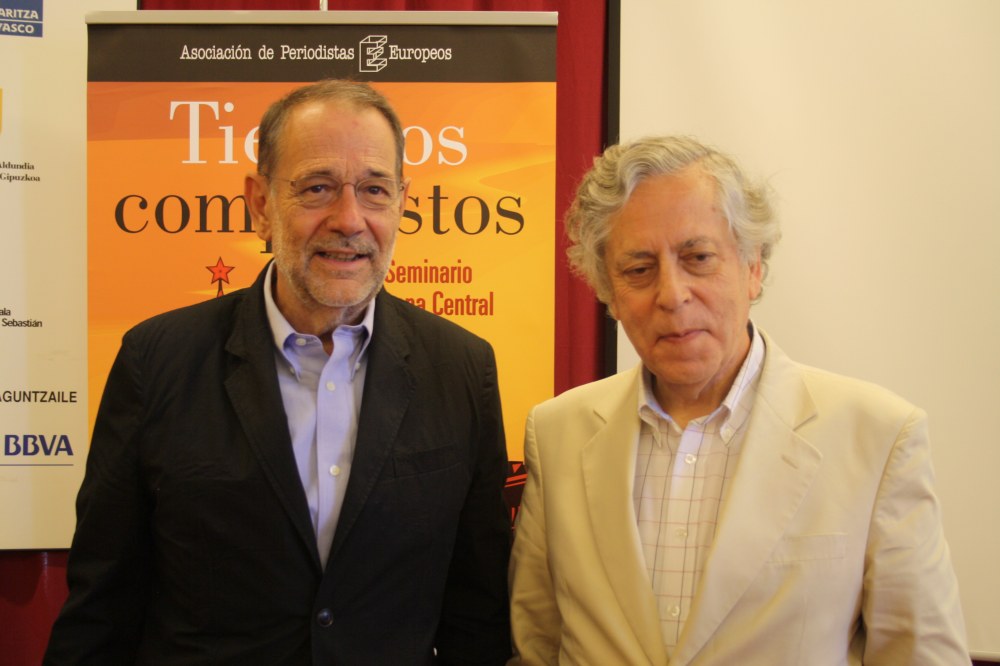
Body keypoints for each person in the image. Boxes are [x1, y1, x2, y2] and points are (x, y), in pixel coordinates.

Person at [45, 80, 512, 665]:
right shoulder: (156, 361)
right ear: (261, 203)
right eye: (317, 188)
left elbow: (479, 616)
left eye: (374, 190)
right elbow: (102, 609)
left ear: (402, 202)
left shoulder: (462, 368)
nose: (349, 219)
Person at [507, 135, 969, 664]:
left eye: (698, 258)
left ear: (753, 267)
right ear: (607, 290)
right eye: (638, 269)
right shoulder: (557, 433)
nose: (672, 294)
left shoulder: (877, 436)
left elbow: (921, 654)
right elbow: (536, 644)